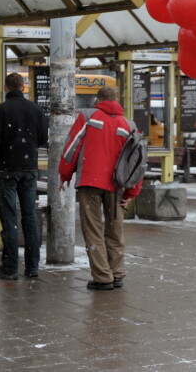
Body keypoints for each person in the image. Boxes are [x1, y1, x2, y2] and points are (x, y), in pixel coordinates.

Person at [59, 86, 142, 290]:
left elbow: (72, 146)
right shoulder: (128, 124)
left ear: (98, 99)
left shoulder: (87, 116)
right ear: (116, 100)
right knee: (115, 230)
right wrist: (132, 192)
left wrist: (65, 173)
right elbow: (137, 161)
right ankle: (117, 273)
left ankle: (102, 277)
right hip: (116, 184)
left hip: (90, 181)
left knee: (93, 229)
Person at [0, 72, 48, 280]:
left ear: (6, 88)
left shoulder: (0, 111)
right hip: (29, 168)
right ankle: (32, 266)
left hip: (6, 169)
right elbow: (42, 138)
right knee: (29, 216)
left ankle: (10, 267)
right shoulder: (36, 110)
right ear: (23, 86)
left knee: (9, 217)